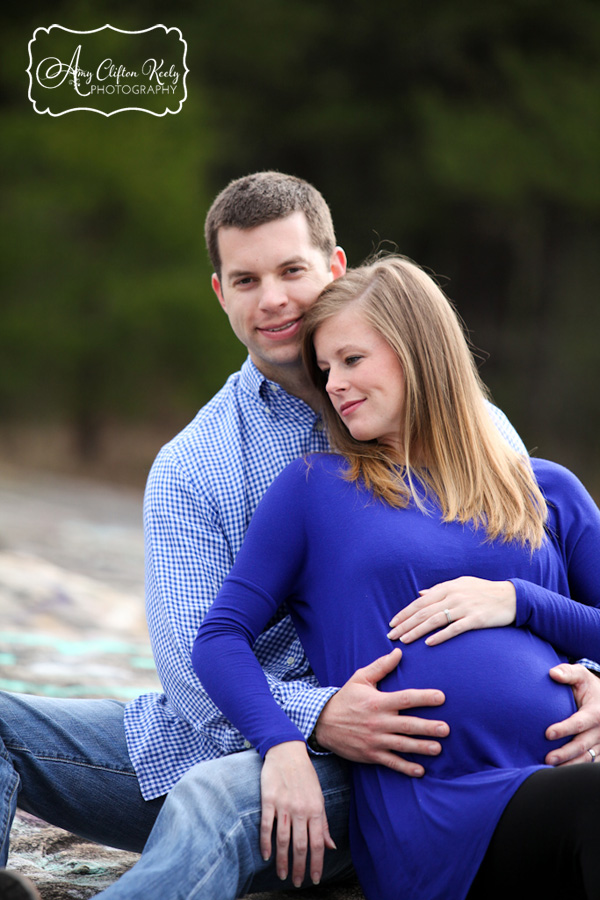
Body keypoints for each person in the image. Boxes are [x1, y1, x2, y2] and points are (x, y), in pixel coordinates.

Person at [1, 173, 600, 900]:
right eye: (246, 280)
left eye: (291, 271)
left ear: (335, 270)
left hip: (413, 756)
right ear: (221, 294)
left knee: (215, 801)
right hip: (260, 735)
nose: (274, 299)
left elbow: (533, 579)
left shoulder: (483, 434)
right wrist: (313, 721)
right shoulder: (200, 466)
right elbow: (198, 666)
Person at [193, 254, 600, 900]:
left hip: (557, 784)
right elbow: (217, 638)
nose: (334, 386)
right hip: (437, 818)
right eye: (326, 370)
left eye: (353, 360)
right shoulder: (315, 491)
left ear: (419, 351)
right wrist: (283, 744)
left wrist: (520, 602)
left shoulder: (548, 490)